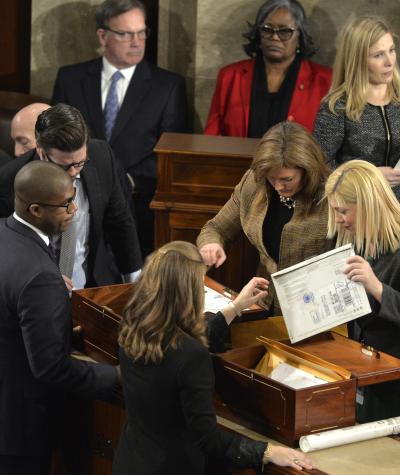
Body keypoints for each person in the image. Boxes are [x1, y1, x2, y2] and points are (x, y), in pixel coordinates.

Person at [114, 240, 314, 474]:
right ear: (186, 292)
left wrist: (235, 308)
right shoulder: (191, 356)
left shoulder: (132, 329)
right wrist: (267, 451)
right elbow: (208, 439)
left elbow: (175, 349)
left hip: (132, 462)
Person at [0, 161, 118, 475]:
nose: (75, 210)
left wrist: (63, 330)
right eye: (66, 204)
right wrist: (117, 376)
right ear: (36, 210)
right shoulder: (40, 275)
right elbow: (50, 367)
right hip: (19, 428)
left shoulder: (4, 231)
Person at [52, 0, 188, 257]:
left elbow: (170, 153)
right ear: (103, 35)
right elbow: (55, 138)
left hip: (137, 207)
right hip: (74, 201)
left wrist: (123, 181)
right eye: (125, 34)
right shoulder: (70, 79)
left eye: (141, 32)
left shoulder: (168, 86)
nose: (136, 42)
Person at [0, 103, 142, 289]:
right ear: (41, 152)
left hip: (95, 285)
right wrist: (44, 280)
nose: (74, 172)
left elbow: (120, 222)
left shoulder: (101, 156)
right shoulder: (9, 182)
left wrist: (135, 284)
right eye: (65, 166)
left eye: (80, 162)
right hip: (38, 293)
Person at [197, 121, 333, 314]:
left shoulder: (331, 194)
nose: (278, 186)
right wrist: (211, 244)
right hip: (263, 302)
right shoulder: (254, 183)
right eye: (272, 178)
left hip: (315, 306)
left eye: (287, 179)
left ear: (307, 170)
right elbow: (216, 229)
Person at [325, 159, 400, 423]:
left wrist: (377, 287)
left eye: (343, 210)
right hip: (363, 371)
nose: (338, 219)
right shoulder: (355, 240)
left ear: (368, 206)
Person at [204, 0, 331, 138]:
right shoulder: (230, 76)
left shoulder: (324, 80)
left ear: (300, 36)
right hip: (239, 159)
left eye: (285, 31)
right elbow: (211, 136)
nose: (275, 37)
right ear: (258, 34)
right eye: (267, 29)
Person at [313, 16, 400, 199]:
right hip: (359, 209)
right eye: (378, 55)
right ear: (357, 59)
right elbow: (319, 169)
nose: (389, 62)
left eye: (391, 50)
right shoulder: (337, 107)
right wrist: (368, 177)